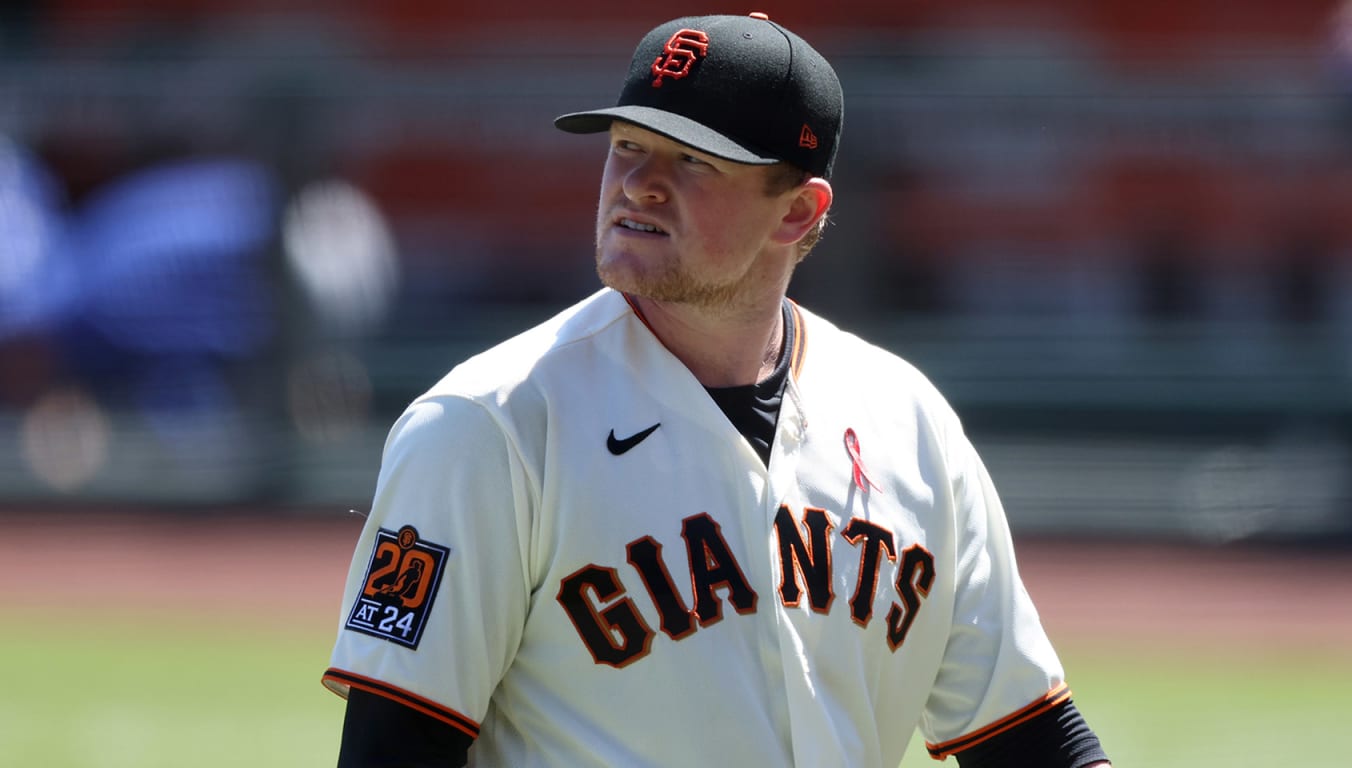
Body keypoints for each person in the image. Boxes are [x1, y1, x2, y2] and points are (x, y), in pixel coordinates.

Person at [323, 12, 1111, 768]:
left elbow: (1029, 740)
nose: (638, 185)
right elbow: (394, 750)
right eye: (628, 146)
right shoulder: (489, 426)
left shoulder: (909, 422)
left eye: (692, 161)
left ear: (798, 211)